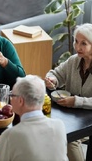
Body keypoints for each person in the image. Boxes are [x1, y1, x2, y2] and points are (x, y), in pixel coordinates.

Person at [0, 75, 68, 161]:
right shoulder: (59, 126)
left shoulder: (11, 135)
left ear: (20, 101)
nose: (10, 99)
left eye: (12, 95)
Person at [44, 23, 92, 161]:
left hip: (88, 119)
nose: (77, 47)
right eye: (76, 41)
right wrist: (52, 79)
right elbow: (56, 73)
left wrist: (76, 101)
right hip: (74, 116)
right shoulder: (73, 61)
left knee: (69, 140)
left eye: (84, 43)